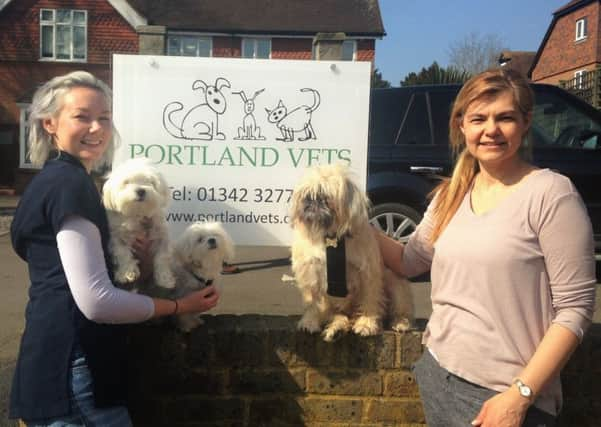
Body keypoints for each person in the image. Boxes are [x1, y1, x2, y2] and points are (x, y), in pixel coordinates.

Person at [374, 68, 596, 427]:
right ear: (461, 125)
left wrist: (519, 395)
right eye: (479, 118)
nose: (490, 129)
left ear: (525, 123)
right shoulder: (451, 193)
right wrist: (351, 223)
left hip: (506, 397)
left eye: (504, 117)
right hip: (439, 373)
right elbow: (409, 260)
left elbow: (575, 310)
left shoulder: (551, 194)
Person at [9, 71, 220, 426]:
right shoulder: (69, 185)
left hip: (54, 355)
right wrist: (179, 306)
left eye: (104, 118)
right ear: (50, 123)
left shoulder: (50, 180)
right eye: (82, 117)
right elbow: (95, 300)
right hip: (75, 362)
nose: (96, 128)